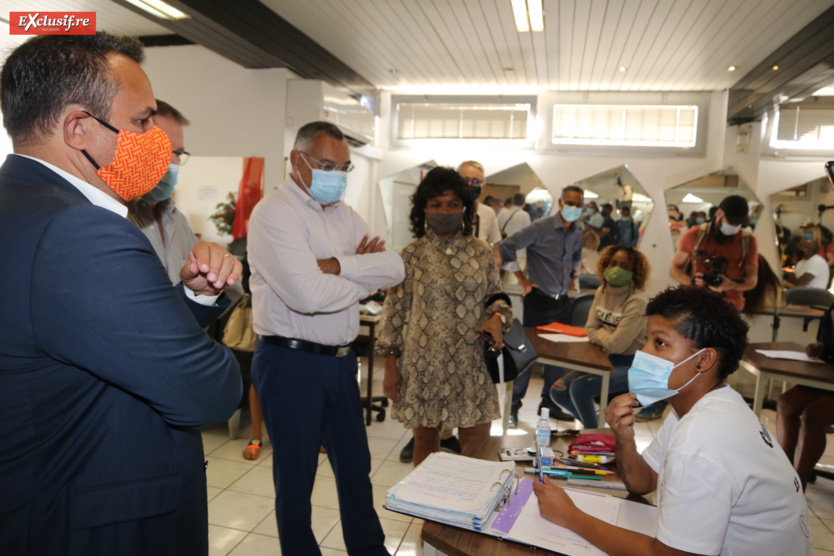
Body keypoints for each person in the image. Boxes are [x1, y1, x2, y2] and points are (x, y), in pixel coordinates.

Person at [0, 33, 243, 555]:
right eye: (142, 121)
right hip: (95, 525)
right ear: (79, 128)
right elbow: (208, 391)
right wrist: (207, 355)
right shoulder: (81, 232)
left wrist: (193, 299)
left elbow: (79, 341)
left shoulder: (18, 207)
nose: (156, 139)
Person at [534, 286, 812, 556]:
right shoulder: (705, 407)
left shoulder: (702, 438)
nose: (643, 353)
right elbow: (644, 482)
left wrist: (572, 518)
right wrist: (624, 438)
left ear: (703, 360)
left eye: (660, 343)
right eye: (647, 340)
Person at [248, 121, 404, 556]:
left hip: (339, 362)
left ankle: (368, 550)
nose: (337, 175)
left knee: (355, 469)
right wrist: (362, 274)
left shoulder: (341, 213)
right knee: (296, 481)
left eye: (345, 167)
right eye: (327, 165)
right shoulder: (275, 214)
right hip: (290, 362)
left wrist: (337, 265)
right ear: (298, 160)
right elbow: (309, 296)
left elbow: (395, 268)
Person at [377, 167, 511, 466]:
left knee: (477, 448)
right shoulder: (410, 255)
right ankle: (428, 511)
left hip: (472, 362)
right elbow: (394, 312)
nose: (444, 211)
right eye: (436, 204)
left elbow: (497, 296)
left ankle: (470, 508)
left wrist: (498, 316)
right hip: (424, 364)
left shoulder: (482, 253)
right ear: (423, 209)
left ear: (465, 208)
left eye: (452, 204)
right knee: (425, 441)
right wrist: (390, 365)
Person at [499, 186, 584, 428]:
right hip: (539, 300)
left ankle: (550, 405)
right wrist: (522, 279)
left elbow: (575, 254)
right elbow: (507, 247)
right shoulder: (542, 227)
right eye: (570, 203)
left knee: (556, 356)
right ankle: (513, 407)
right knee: (528, 354)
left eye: (578, 205)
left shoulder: (576, 232)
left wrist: (573, 275)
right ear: (560, 202)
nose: (573, 208)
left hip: (561, 302)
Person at [550, 245, 651, 428]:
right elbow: (590, 328)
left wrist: (602, 334)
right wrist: (609, 334)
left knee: (580, 388)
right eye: (613, 263)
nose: (616, 269)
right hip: (605, 359)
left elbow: (616, 345)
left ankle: (593, 437)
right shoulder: (601, 291)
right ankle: (595, 427)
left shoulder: (637, 301)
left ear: (634, 271)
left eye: (624, 266)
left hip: (634, 365)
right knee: (558, 391)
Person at [777, 302, 834, 490]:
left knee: (813, 414)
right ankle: (785, 473)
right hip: (827, 375)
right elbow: (826, 343)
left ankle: (798, 485)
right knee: (786, 403)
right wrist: (819, 348)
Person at [669, 194, 758, 312]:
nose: (735, 225)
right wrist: (692, 281)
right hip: (696, 304)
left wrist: (732, 285)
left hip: (730, 307)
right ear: (719, 213)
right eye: (731, 221)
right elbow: (674, 269)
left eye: (739, 222)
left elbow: (752, 280)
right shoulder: (695, 235)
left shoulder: (747, 240)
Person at [458, 160, 502, 245]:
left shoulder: (488, 213)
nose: (469, 184)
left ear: (483, 186)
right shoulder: (445, 209)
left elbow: (495, 248)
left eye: (475, 181)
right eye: (465, 180)